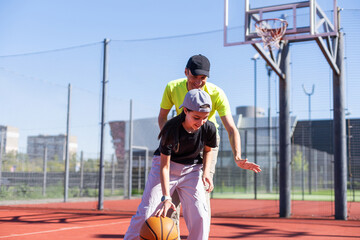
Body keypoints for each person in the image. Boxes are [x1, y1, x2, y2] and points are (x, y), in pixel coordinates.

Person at [158, 54, 261, 236]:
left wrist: (237, 156)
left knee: (201, 192)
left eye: (202, 78)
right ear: (186, 72)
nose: (198, 82)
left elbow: (231, 128)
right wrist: (169, 138)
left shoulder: (216, 93)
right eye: (194, 77)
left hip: (206, 142)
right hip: (179, 138)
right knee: (170, 196)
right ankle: (170, 235)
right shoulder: (173, 87)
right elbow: (162, 117)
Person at [124, 89, 218, 240]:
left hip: (192, 171)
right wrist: (166, 197)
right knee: (147, 212)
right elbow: (164, 166)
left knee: (201, 214)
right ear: (185, 110)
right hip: (167, 168)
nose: (201, 122)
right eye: (196, 117)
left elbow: (208, 151)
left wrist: (206, 173)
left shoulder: (209, 128)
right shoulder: (171, 129)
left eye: (205, 118)